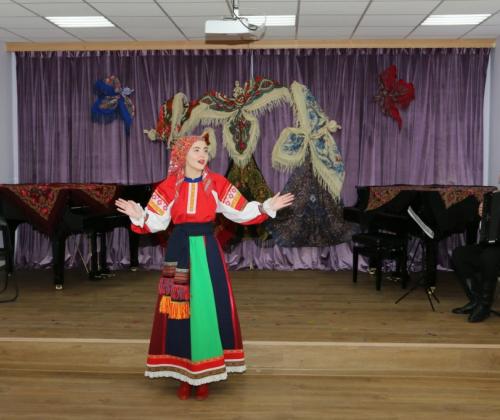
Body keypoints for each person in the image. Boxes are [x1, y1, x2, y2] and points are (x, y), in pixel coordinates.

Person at [115, 134, 294, 400]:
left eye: (206, 150)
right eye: (197, 149)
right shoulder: (168, 187)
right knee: (180, 310)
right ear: (182, 154)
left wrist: (267, 207)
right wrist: (138, 214)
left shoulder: (217, 184)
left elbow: (241, 211)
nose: (203, 155)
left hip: (208, 253)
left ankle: (205, 374)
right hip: (179, 251)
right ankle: (184, 375)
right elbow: (155, 222)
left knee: (208, 309)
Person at [451, 201, 500, 323]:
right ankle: (476, 300)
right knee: (460, 254)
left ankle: (484, 305)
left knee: (489, 256)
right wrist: (484, 216)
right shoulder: (495, 199)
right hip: (492, 245)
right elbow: (485, 232)